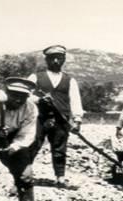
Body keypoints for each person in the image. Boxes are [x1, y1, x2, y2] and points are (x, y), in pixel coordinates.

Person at [28, 45, 84, 188]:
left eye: (59, 58)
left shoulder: (69, 80)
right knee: (32, 146)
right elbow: (25, 96)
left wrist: (77, 120)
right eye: (52, 58)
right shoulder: (35, 77)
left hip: (61, 120)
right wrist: (38, 100)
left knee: (60, 149)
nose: (56, 61)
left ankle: (60, 178)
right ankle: (23, 176)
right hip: (39, 119)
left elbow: (75, 100)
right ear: (46, 60)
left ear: (63, 59)